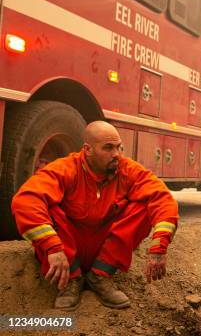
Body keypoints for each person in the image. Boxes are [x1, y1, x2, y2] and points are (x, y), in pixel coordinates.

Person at [11, 121, 178, 311]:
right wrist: (52, 247)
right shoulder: (65, 168)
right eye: (108, 148)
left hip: (103, 251)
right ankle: (70, 280)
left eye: (119, 147)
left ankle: (100, 275)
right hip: (64, 252)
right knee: (47, 207)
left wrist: (159, 247)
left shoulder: (128, 170)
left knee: (143, 207)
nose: (116, 154)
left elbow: (163, 199)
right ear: (87, 149)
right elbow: (25, 201)